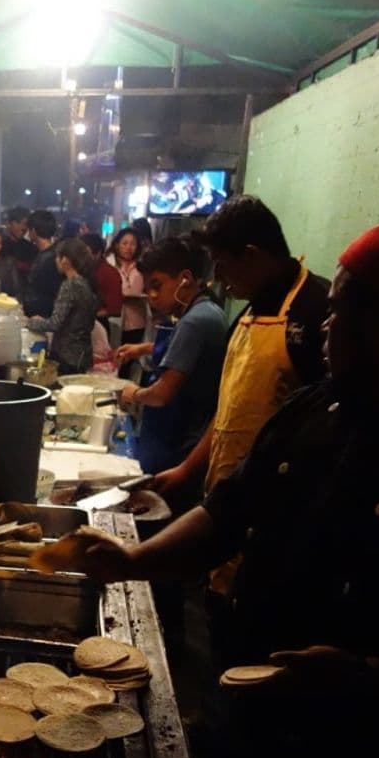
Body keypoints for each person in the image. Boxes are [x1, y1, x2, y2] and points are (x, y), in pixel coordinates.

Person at [66, 222, 379, 758]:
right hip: (255, 699)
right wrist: (133, 559)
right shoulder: (317, 407)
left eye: (343, 313)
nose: (327, 327)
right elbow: (227, 512)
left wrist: (370, 677)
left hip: (366, 753)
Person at [154, 196, 329, 596]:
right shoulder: (247, 314)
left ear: (251, 255)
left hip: (281, 523)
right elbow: (229, 412)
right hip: (229, 503)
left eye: (221, 262)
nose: (216, 276)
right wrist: (187, 470)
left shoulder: (316, 313)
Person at [115, 237, 227, 496]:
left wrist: (135, 394)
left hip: (180, 443)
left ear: (185, 279)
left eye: (157, 285)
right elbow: (183, 353)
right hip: (184, 437)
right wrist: (143, 348)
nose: (151, 296)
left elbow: (163, 394)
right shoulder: (208, 310)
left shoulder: (194, 322)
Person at [26, 238, 98, 375]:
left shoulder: (69, 285)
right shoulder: (87, 283)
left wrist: (31, 323)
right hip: (82, 355)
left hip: (66, 356)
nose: (56, 261)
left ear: (65, 260)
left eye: (57, 257)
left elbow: (55, 323)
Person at [107, 227, 148, 348]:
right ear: (117, 245)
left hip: (137, 321)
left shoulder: (142, 266)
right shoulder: (110, 265)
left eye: (133, 244)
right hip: (114, 320)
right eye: (124, 243)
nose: (128, 248)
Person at [22, 210, 61, 319]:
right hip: (43, 315)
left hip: (42, 317)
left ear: (33, 231)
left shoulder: (48, 258)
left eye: (28, 230)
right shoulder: (55, 253)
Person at [0, 206, 38, 302]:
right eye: (19, 223)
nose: (23, 228)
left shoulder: (32, 248)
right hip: (2, 295)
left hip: (25, 298)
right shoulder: (0, 246)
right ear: (9, 224)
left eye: (25, 224)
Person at [83, 232, 122, 322]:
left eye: (86, 254)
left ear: (98, 253)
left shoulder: (109, 273)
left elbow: (115, 309)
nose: (82, 257)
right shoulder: (80, 268)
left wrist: (91, 315)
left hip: (98, 323)